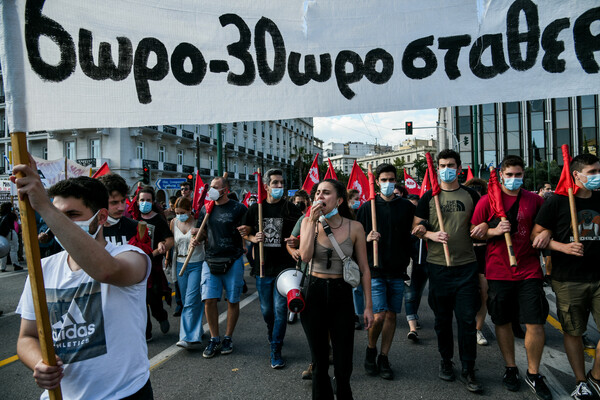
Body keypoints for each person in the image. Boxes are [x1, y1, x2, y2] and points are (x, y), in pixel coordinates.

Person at [14, 168, 152, 400]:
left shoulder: (131, 256)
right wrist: (39, 362)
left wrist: (46, 208)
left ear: (100, 217)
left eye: (72, 215)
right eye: (57, 215)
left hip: (124, 394)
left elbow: (106, 272)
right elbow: (27, 337)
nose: (59, 224)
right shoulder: (41, 271)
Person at [472, 155, 552, 399]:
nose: (515, 179)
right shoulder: (487, 201)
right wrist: (494, 229)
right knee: (502, 321)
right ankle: (510, 367)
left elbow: (548, 225)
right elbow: (474, 234)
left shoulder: (535, 200)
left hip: (529, 269)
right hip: (499, 270)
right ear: (502, 176)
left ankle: (534, 372)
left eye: (519, 175)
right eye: (510, 175)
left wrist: (546, 232)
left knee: (535, 322)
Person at [412, 149, 484, 393]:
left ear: (459, 167)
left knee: (466, 320)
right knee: (442, 320)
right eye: (442, 165)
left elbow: (482, 221)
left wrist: (482, 227)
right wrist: (431, 233)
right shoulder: (429, 197)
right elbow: (416, 228)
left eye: (450, 164)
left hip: (466, 266)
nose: (446, 169)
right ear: (437, 168)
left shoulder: (471, 194)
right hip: (439, 267)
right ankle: (446, 361)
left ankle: (468, 368)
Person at [532, 153, 600, 400]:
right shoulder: (557, 202)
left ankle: (596, 376)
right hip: (568, 278)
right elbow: (536, 236)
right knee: (573, 332)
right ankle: (581, 382)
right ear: (576, 175)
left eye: (598, 171)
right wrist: (563, 247)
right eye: (591, 172)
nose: (596, 176)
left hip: (599, 275)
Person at [299, 179, 374, 399]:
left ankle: (343, 392)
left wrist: (368, 307)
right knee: (320, 361)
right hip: (313, 293)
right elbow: (304, 256)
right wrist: (312, 224)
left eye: (326, 193)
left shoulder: (355, 227)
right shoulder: (307, 223)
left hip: (341, 294)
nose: (320, 196)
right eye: (317, 193)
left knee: (343, 361)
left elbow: (364, 269)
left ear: (339, 200)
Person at [356, 163, 416, 380]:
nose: (388, 184)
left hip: (398, 269)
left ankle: (384, 356)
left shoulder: (407, 207)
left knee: (391, 315)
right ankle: (371, 349)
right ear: (377, 182)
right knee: (379, 315)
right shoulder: (366, 208)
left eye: (392, 180)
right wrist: (366, 238)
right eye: (384, 180)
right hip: (375, 270)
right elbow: (354, 239)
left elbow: (415, 232)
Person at [241, 169, 303, 368]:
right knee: (267, 311)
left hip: (284, 270)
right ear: (266, 186)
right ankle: (272, 331)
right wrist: (253, 238)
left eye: (281, 183)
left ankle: (276, 348)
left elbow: (303, 230)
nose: (279, 186)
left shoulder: (290, 209)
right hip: (263, 268)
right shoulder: (255, 209)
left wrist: (296, 241)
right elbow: (246, 232)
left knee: (279, 310)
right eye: (275, 183)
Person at [192, 176, 247, 358]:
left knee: (232, 300)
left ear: (225, 189)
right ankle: (214, 338)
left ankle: (228, 337)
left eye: (216, 187)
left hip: (233, 258)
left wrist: (248, 234)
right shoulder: (205, 208)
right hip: (210, 259)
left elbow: (247, 230)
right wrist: (196, 238)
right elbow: (201, 232)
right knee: (209, 300)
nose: (212, 190)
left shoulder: (238, 208)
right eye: (210, 188)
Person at [136, 186, 174, 341]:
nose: (145, 203)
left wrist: (160, 248)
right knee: (140, 302)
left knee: (154, 299)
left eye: (148, 200)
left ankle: (161, 316)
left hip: (153, 266)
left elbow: (169, 240)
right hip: (136, 267)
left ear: (153, 202)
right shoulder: (132, 218)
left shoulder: (158, 219)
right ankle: (146, 332)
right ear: (137, 202)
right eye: (142, 200)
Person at [171, 197, 205, 349]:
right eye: (177, 212)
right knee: (186, 301)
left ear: (190, 210)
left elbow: (206, 237)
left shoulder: (198, 222)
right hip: (180, 264)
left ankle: (187, 336)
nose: (179, 215)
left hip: (196, 263)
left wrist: (199, 236)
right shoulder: (173, 223)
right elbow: (172, 243)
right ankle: (197, 329)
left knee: (192, 300)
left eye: (182, 212)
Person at [463, 177, 490, 346]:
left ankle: (477, 329)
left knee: (484, 293)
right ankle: (466, 326)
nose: (476, 192)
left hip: (484, 254)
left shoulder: (490, 208)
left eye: (479, 190)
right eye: (473, 189)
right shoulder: (463, 208)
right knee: (466, 294)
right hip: (465, 254)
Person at [404, 194, 428, 340]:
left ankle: (414, 316)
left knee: (418, 294)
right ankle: (412, 329)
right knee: (410, 294)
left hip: (426, 263)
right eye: (410, 206)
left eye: (416, 206)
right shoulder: (403, 222)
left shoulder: (425, 222)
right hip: (410, 264)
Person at [98, 174, 139, 246]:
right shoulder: (90, 230)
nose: (121, 208)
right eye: (114, 202)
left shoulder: (135, 227)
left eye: (123, 201)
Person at [0, 202, 22, 272]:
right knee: (13, 249)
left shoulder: (1, 216)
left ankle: (2, 267)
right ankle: (15, 264)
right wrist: (14, 211)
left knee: (3, 250)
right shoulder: (11, 215)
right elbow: (16, 219)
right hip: (11, 232)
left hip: (2, 234)